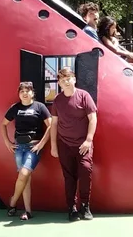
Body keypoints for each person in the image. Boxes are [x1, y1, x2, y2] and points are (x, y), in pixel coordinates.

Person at [50, 67, 97, 222]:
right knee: (69, 177)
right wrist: (54, 146)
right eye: (63, 80)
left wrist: (88, 140)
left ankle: (85, 205)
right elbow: (54, 124)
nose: (66, 82)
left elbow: (93, 119)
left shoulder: (84, 96)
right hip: (64, 144)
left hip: (83, 144)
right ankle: (72, 208)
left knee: (85, 170)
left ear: (74, 79)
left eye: (68, 78)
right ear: (59, 84)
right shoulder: (57, 100)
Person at [1, 81, 52, 221]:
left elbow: (50, 126)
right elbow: (3, 124)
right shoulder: (15, 108)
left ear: (32, 93)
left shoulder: (40, 107)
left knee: (23, 174)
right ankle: (27, 211)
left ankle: (12, 202)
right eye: (22, 91)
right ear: (19, 94)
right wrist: (7, 142)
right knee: (25, 180)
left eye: (27, 91)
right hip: (19, 148)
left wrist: (41, 144)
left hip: (33, 147)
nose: (24, 93)